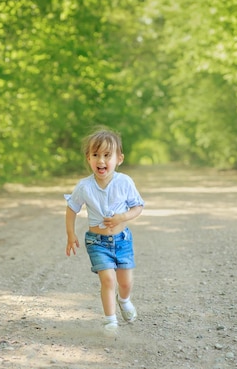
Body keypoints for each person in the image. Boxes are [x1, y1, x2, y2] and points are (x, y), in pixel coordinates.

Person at [65, 127, 144, 336]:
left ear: (119, 158)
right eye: (96, 155)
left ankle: (124, 300)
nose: (101, 161)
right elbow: (72, 208)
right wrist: (71, 235)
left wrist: (122, 217)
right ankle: (110, 321)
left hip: (122, 239)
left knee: (125, 282)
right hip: (97, 242)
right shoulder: (84, 186)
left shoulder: (124, 182)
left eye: (107, 155)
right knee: (108, 280)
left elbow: (137, 206)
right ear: (88, 158)